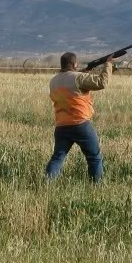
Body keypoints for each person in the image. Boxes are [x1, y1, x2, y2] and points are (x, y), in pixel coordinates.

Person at [45, 51, 113, 182]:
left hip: (61, 125)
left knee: (57, 157)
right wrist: (108, 64)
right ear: (74, 64)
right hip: (80, 124)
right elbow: (101, 83)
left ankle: (47, 184)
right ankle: (96, 187)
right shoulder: (78, 77)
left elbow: (71, 83)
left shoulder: (53, 81)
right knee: (94, 156)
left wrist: (85, 71)